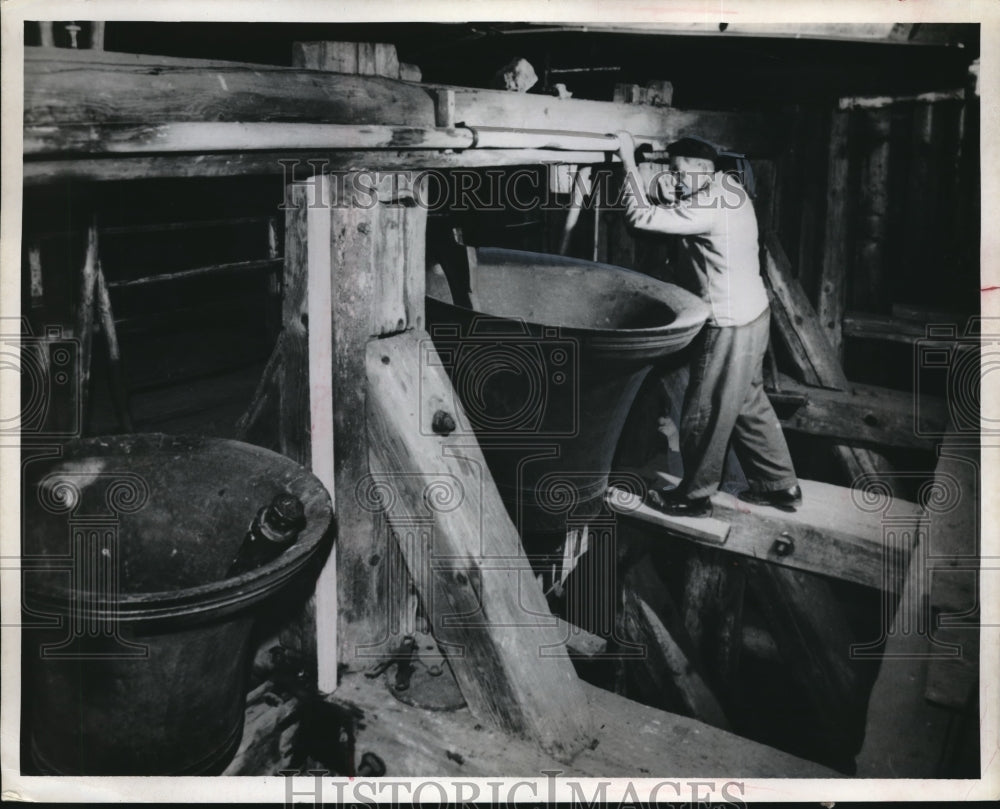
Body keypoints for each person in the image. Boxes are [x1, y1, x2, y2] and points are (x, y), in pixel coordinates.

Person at [615, 131, 802, 516]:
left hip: (729, 323)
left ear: (703, 169)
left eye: (681, 172)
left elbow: (639, 217)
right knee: (749, 402)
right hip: (753, 315)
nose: (677, 179)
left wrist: (628, 163)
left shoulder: (707, 205)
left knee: (704, 408)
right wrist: (674, 188)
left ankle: (694, 496)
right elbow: (689, 202)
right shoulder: (727, 187)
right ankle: (780, 486)